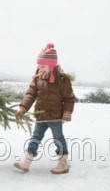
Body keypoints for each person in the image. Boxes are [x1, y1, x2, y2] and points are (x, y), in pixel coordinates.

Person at [14, 43, 75, 174]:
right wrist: (23, 107)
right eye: (39, 65)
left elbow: (69, 98)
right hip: (41, 115)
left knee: (58, 138)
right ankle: (26, 161)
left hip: (55, 116)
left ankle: (63, 161)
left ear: (51, 65)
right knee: (35, 137)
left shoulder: (62, 80)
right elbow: (30, 94)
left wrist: (67, 113)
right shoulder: (38, 78)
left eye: (43, 65)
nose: (40, 68)